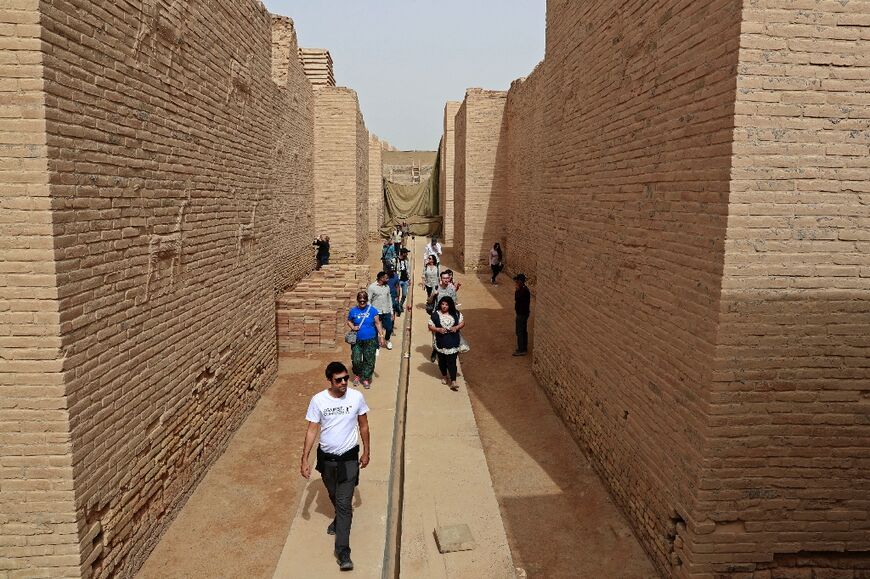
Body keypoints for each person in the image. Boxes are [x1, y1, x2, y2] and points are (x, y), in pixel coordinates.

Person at [300, 361, 371, 571]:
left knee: (343, 502)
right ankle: (339, 519)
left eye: (346, 378)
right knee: (333, 493)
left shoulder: (356, 397)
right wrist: (304, 458)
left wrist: (367, 451)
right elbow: (312, 430)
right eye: (338, 380)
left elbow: (364, 425)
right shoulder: (318, 400)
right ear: (329, 381)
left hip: (349, 458)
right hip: (327, 460)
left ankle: (343, 551)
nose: (343, 383)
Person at [346, 291, 386, 388]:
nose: (362, 303)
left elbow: (377, 323)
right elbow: (349, 321)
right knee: (356, 359)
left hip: (370, 339)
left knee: (369, 360)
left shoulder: (372, 310)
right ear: (358, 300)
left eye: (364, 301)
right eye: (360, 301)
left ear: (367, 300)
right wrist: (353, 327)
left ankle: (366, 378)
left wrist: (381, 336)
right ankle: (357, 375)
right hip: (357, 340)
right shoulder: (353, 311)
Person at [428, 296, 465, 391]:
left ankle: (453, 381)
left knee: (452, 361)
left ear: (450, 305)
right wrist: (438, 329)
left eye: (446, 304)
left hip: (453, 341)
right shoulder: (435, 315)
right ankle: (444, 376)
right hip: (441, 342)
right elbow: (430, 326)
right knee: (442, 361)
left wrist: (456, 327)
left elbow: (462, 323)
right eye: (442, 304)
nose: (444, 306)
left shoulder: (456, 314)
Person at [367, 271, 395, 351]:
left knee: (389, 328)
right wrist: (371, 311)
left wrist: (391, 312)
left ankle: (387, 339)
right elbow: (368, 300)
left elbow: (389, 299)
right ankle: (376, 346)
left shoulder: (387, 287)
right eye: (386, 278)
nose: (388, 279)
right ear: (381, 278)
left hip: (386, 311)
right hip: (376, 312)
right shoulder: (372, 287)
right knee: (375, 330)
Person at [513, 273, 531, 356]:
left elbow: (517, 298)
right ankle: (523, 347)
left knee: (520, 331)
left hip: (522, 314)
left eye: (517, 281)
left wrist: (517, 290)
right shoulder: (523, 289)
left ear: (520, 281)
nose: (516, 282)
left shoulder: (523, 290)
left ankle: (521, 350)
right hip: (523, 313)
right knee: (523, 331)